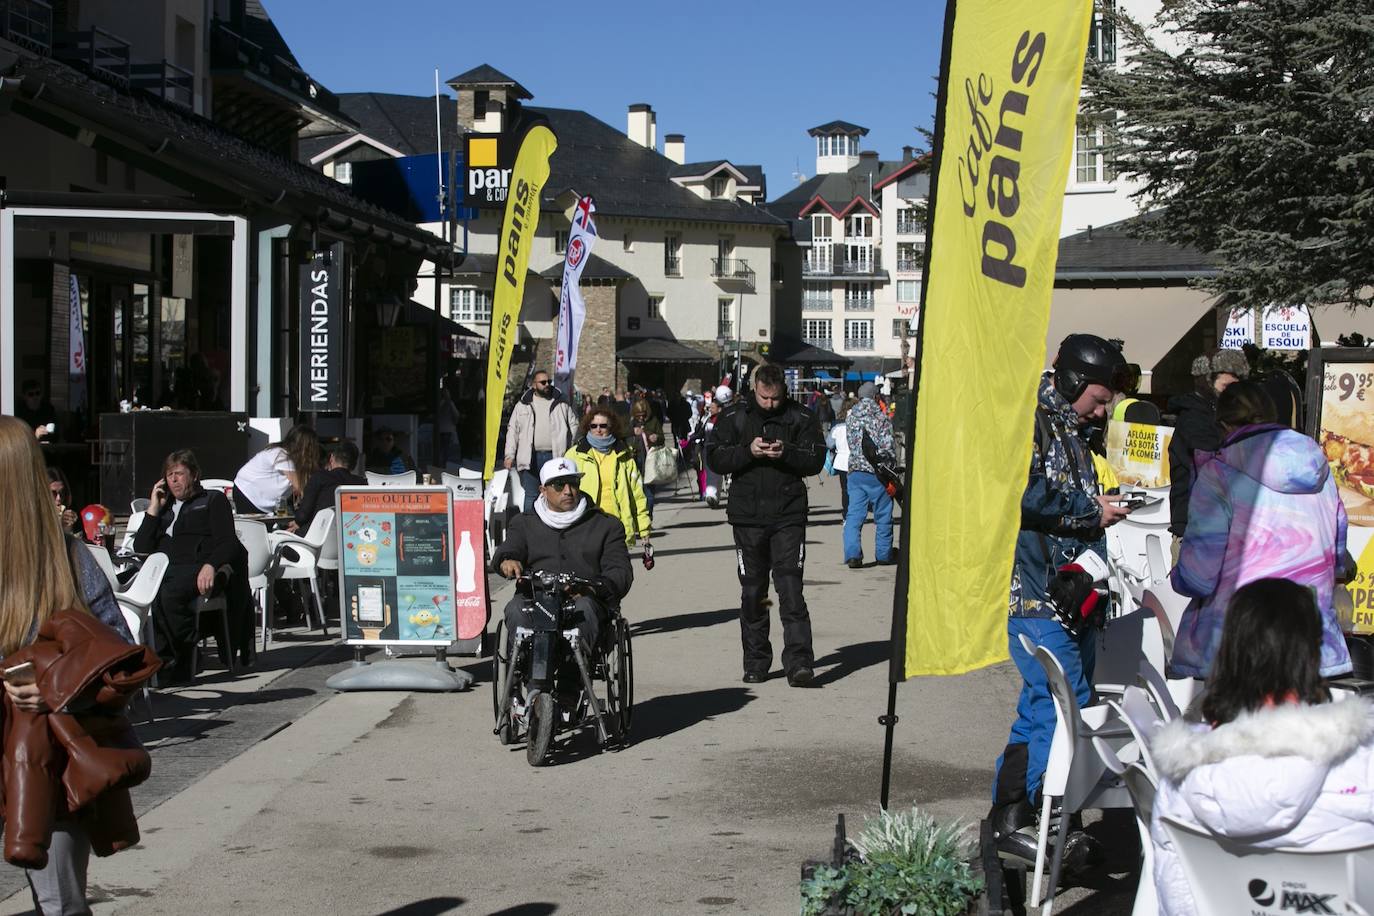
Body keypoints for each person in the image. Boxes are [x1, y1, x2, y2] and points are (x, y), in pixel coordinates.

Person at [990, 333, 1133, 866]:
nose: (1106, 408)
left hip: (1069, 594)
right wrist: (1089, 511)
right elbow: (1019, 493)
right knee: (1064, 704)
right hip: (1033, 593)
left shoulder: (1073, 430)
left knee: (1038, 709)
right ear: (1072, 380)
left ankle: (1010, 820)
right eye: (1099, 398)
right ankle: (1039, 818)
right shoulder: (1031, 423)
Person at [1150, 578, 1374, 916]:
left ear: (1229, 653)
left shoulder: (1179, 778)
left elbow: (1175, 898)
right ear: (1311, 654)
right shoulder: (1361, 762)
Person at [0, 415, 140, 914]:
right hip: (45, 758)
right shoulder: (70, 558)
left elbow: (123, 660)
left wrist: (53, 687)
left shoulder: (68, 559)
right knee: (61, 903)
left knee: (60, 903)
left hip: (48, 758)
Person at [1170, 380, 1351, 679]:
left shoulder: (1218, 474)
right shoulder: (1319, 469)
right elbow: (1338, 554)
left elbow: (1199, 578)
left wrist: (1178, 576)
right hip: (1313, 644)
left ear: (1225, 425)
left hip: (1239, 646)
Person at [708, 364, 826, 687]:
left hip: (788, 515)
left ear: (783, 392)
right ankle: (756, 661)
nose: (770, 404)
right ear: (755, 389)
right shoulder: (734, 417)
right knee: (753, 592)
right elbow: (714, 457)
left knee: (790, 589)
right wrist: (748, 452)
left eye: (775, 398)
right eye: (764, 397)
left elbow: (816, 459)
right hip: (747, 517)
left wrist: (785, 452)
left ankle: (800, 662)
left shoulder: (801, 417)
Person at [492, 457, 633, 658]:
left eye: (573, 483)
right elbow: (510, 548)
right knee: (515, 609)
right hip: (536, 596)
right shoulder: (524, 523)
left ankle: (572, 680)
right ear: (543, 490)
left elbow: (620, 570)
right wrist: (507, 560)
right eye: (559, 485)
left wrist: (594, 588)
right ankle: (520, 672)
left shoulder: (606, 525)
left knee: (585, 609)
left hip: (583, 598)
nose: (568, 491)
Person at [135, 449, 251, 683]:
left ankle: (182, 654)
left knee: (168, 593)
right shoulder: (164, 508)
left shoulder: (212, 500)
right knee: (132, 591)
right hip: (163, 569)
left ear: (195, 474)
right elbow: (141, 546)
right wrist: (153, 510)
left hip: (194, 568)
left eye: (179, 474)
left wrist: (211, 565)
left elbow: (228, 542)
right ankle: (157, 658)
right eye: (169, 475)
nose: (174, 480)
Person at [1167, 349, 1249, 543]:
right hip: (1196, 531)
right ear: (1207, 381)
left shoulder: (1226, 417)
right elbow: (1214, 468)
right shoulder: (1195, 418)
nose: (1232, 395)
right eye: (1227, 386)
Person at [565, 409, 651, 548]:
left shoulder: (624, 456)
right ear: (588, 427)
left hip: (616, 525)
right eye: (594, 426)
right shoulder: (574, 455)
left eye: (603, 426)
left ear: (611, 428)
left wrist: (644, 529)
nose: (598, 430)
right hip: (585, 525)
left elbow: (637, 495)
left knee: (617, 568)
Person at [503, 369, 579, 514]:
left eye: (548, 381)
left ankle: (554, 529)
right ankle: (530, 529)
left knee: (555, 496)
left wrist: (572, 449)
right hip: (530, 457)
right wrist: (509, 455)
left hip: (555, 457)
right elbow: (513, 430)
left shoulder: (561, 402)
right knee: (531, 495)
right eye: (543, 382)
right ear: (534, 385)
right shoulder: (523, 404)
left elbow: (574, 425)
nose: (547, 385)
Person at [843, 381, 896, 568]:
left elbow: (852, 444)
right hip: (877, 475)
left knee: (854, 516)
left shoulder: (851, 418)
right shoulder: (881, 418)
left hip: (856, 473)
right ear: (875, 397)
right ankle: (883, 554)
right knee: (883, 515)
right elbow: (888, 448)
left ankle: (853, 554)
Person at [233, 425, 321, 515]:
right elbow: (299, 486)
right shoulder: (280, 455)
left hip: (259, 498)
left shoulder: (287, 457)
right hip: (248, 492)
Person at [291, 440, 365, 534]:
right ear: (354, 465)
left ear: (331, 458)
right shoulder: (361, 483)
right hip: (348, 537)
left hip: (316, 536)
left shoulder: (319, 478)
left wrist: (297, 521)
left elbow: (303, 515)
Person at [629, 397, 665, 519]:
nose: (641, 418)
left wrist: (656, 437)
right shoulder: (631, 422)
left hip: (650, 460)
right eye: (638, 415)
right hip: (635, 459)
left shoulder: (653, 421)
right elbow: (623, 436)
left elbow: (662, 438)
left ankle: (647, 517)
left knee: (649, 492)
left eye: (643, 415)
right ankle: (639, 518)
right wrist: (632, 432)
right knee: (636, 491)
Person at [827, 403, 851, 515]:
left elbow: (829, 444)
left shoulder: (838, 427)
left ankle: (846, 514)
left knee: (845, 489)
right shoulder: (862, 426)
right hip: (858, 462)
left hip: (841, 462)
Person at [434, 376, 462, 468]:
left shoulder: (450, 404)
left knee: (447, 453)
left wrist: (449, 402)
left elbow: (456, 415)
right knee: (442, 453)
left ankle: (444, 466)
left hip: (447, 431)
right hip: (442, 431)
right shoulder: (441, 404)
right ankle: (441, 466)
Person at [46, 467, 81, 535]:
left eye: (62, 492)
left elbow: (80, 539)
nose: (59, 498)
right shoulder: (36, 513)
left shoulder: (71, 510)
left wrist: (69, 528)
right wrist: (60, 524)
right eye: (53, 493)